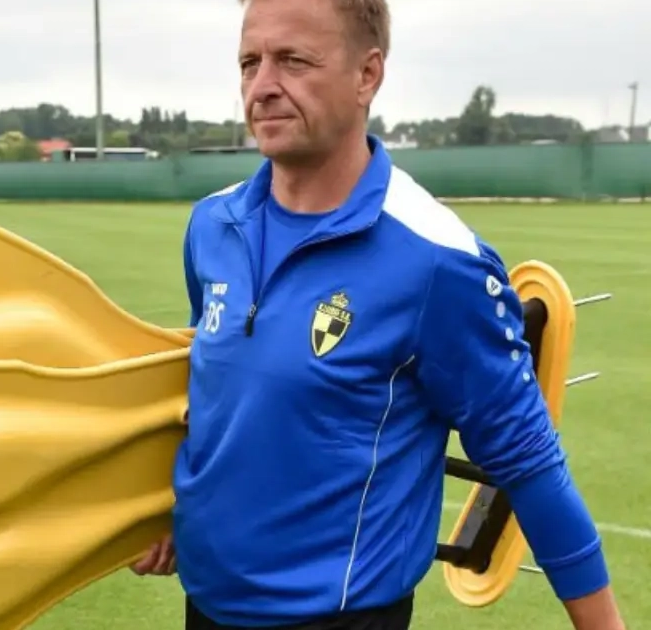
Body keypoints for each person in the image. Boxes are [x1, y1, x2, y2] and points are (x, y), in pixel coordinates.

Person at [130, 1, 625, 629]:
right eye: (250, 63)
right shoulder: (211, 225)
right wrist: (169, 507)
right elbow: (212, 398)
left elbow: (526, 459)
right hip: (206, 605)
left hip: (343, 617)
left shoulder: (438, 260)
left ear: (367, 75)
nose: (263, 85)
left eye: (293, 61)